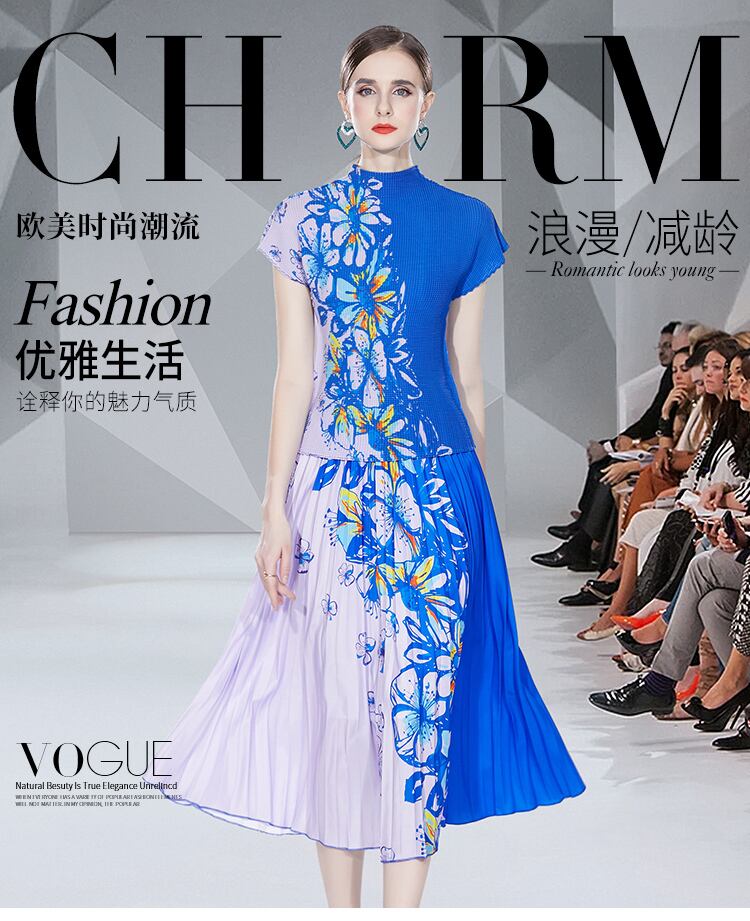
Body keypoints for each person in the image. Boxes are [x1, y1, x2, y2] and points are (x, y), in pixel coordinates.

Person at [140, 25, 585, 909]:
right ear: (344, 103)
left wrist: (473, 500)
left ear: (428, 103)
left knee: (420, 708)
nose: (385, 106)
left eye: (402, 89)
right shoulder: (303, 220)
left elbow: (467, 376)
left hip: (437, 493)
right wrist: (273, 507)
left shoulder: (467, 224)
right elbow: (294, 373)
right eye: (368, 89)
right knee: (340, 708)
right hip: (333, 490)